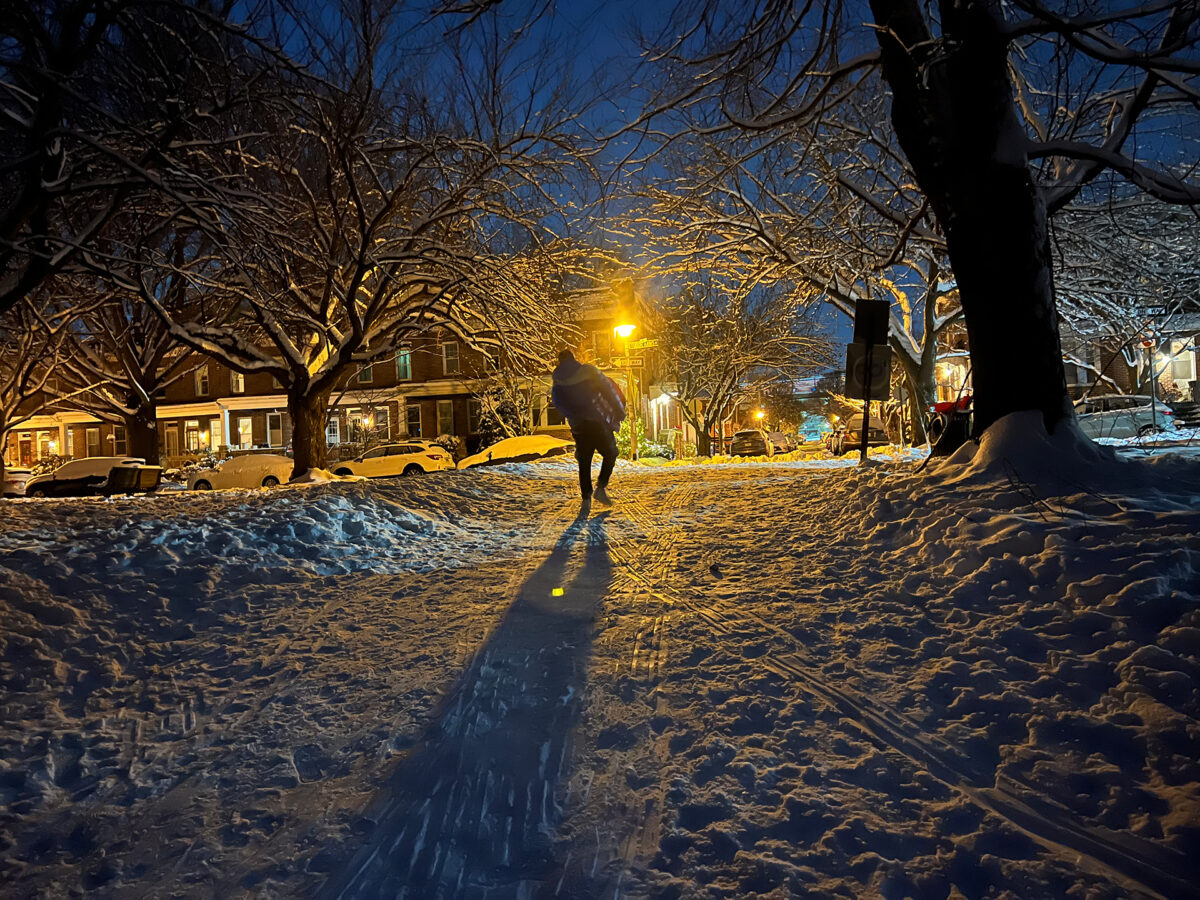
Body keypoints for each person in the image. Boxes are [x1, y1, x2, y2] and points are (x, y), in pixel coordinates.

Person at [551, 348, 625, 506]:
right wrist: (619, 411)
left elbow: (557, 402)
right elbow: (608, 391)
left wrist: (572, 415)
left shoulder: (557, 380)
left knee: (584, 459)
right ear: (573, 358)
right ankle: (601, 487)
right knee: (611, 452)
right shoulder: (589, 371)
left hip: (578, 424)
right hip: (597, 420)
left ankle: (586, 496)